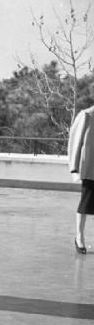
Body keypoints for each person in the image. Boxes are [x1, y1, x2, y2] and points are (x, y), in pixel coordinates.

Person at [68, 105, 94, 254]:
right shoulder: (87, 115)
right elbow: (75, 142)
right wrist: (74, 168)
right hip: (90, 167)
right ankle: (79, 237)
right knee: (85, 203)